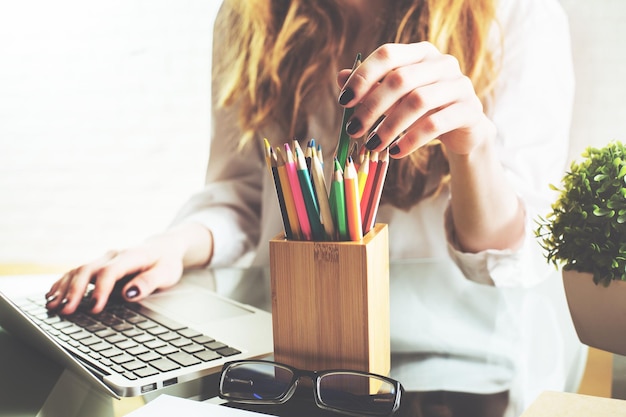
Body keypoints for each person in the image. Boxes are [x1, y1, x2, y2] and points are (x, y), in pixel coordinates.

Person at [45, 0, 576, 415]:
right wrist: (170, 247)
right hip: (286, 358)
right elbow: (246, 196)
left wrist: (473, 146)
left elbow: (511, 254)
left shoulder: (516, 17)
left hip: (459, 369)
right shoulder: (250, 18)